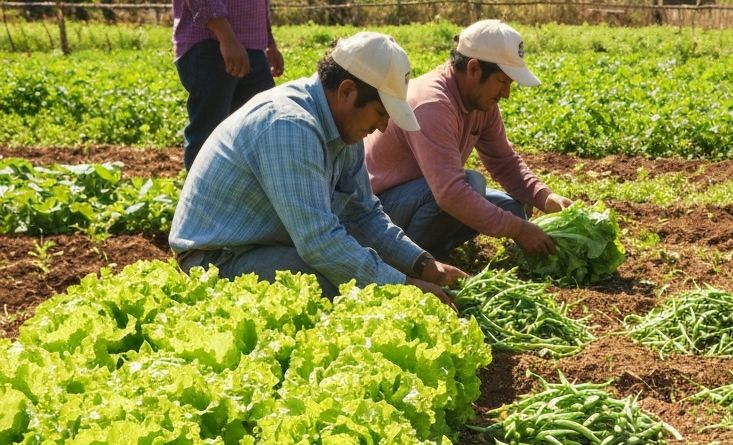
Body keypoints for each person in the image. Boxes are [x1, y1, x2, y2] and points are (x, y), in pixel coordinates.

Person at [169, 32, 465, 306]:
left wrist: (424, 265)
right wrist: (401, 286)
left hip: (268, 244)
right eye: (380, 112)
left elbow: (363, 213)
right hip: (218, 259)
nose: (383, 126)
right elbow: (318, 241)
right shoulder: (288, 125)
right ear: (347, 91)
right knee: (335, 288)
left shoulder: (345, 128)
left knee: (350, 278)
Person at [365, 19, 573, 261]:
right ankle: (411, 257)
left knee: (513, 208)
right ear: (474, 69)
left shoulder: (481, 103)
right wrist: (518, 230)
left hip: (423, 197)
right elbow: (449, 193)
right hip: (377, 212)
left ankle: (436, 246)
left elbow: (504, 161)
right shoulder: (432, 104)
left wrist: (544, 196)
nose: (506, 93)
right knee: (471, 185)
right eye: (503, 81)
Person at [172, 0, 285, 170]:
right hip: (208, 41)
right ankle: (200, 195)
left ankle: (241, 195)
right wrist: (226, 37)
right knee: (209, 133)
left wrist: (269, 42)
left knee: (261, 129)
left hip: (253, 45)